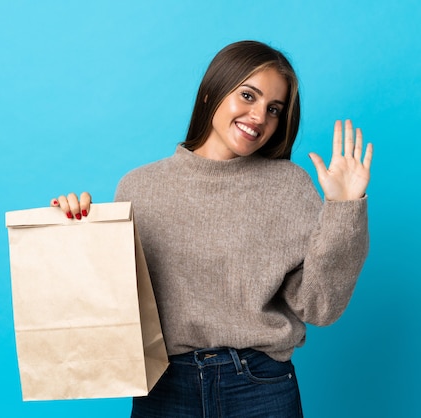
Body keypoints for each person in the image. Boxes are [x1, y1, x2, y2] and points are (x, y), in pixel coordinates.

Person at [51, 40, 372, 417]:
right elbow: (112, 302)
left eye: (273, 109)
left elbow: (319, 307)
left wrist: (342, 209)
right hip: (164, 385)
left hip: (260, 387)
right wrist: (77, 230)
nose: (259, 117)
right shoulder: (140, 187)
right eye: (248, 96)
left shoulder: (289, 186)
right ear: (210, 93)